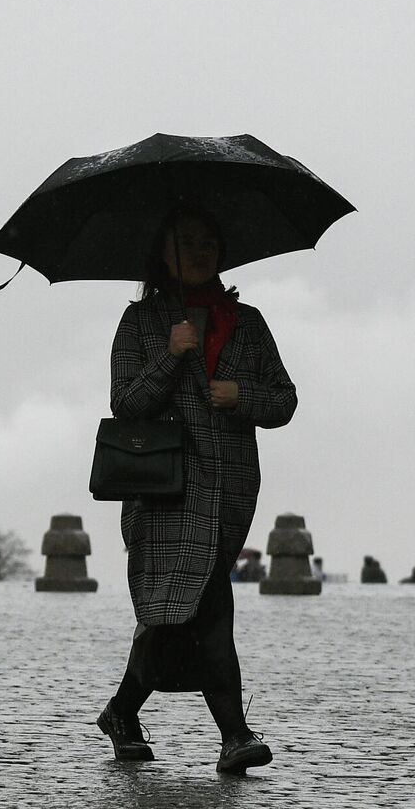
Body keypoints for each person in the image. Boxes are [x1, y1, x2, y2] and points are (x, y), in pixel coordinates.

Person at [97, 209, 297, 775]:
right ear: (164, 253)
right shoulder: (140, 323)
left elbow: (283, 400)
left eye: (209, 241)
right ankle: (234, 736)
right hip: (162, 491)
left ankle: (121, 711)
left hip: (229, 489)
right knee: (207, 607)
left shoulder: (248, 323)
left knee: (173, 614)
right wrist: (171, 353)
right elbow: (125, 403)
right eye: (187, 243)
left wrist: (242, 394)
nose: (200, 251)